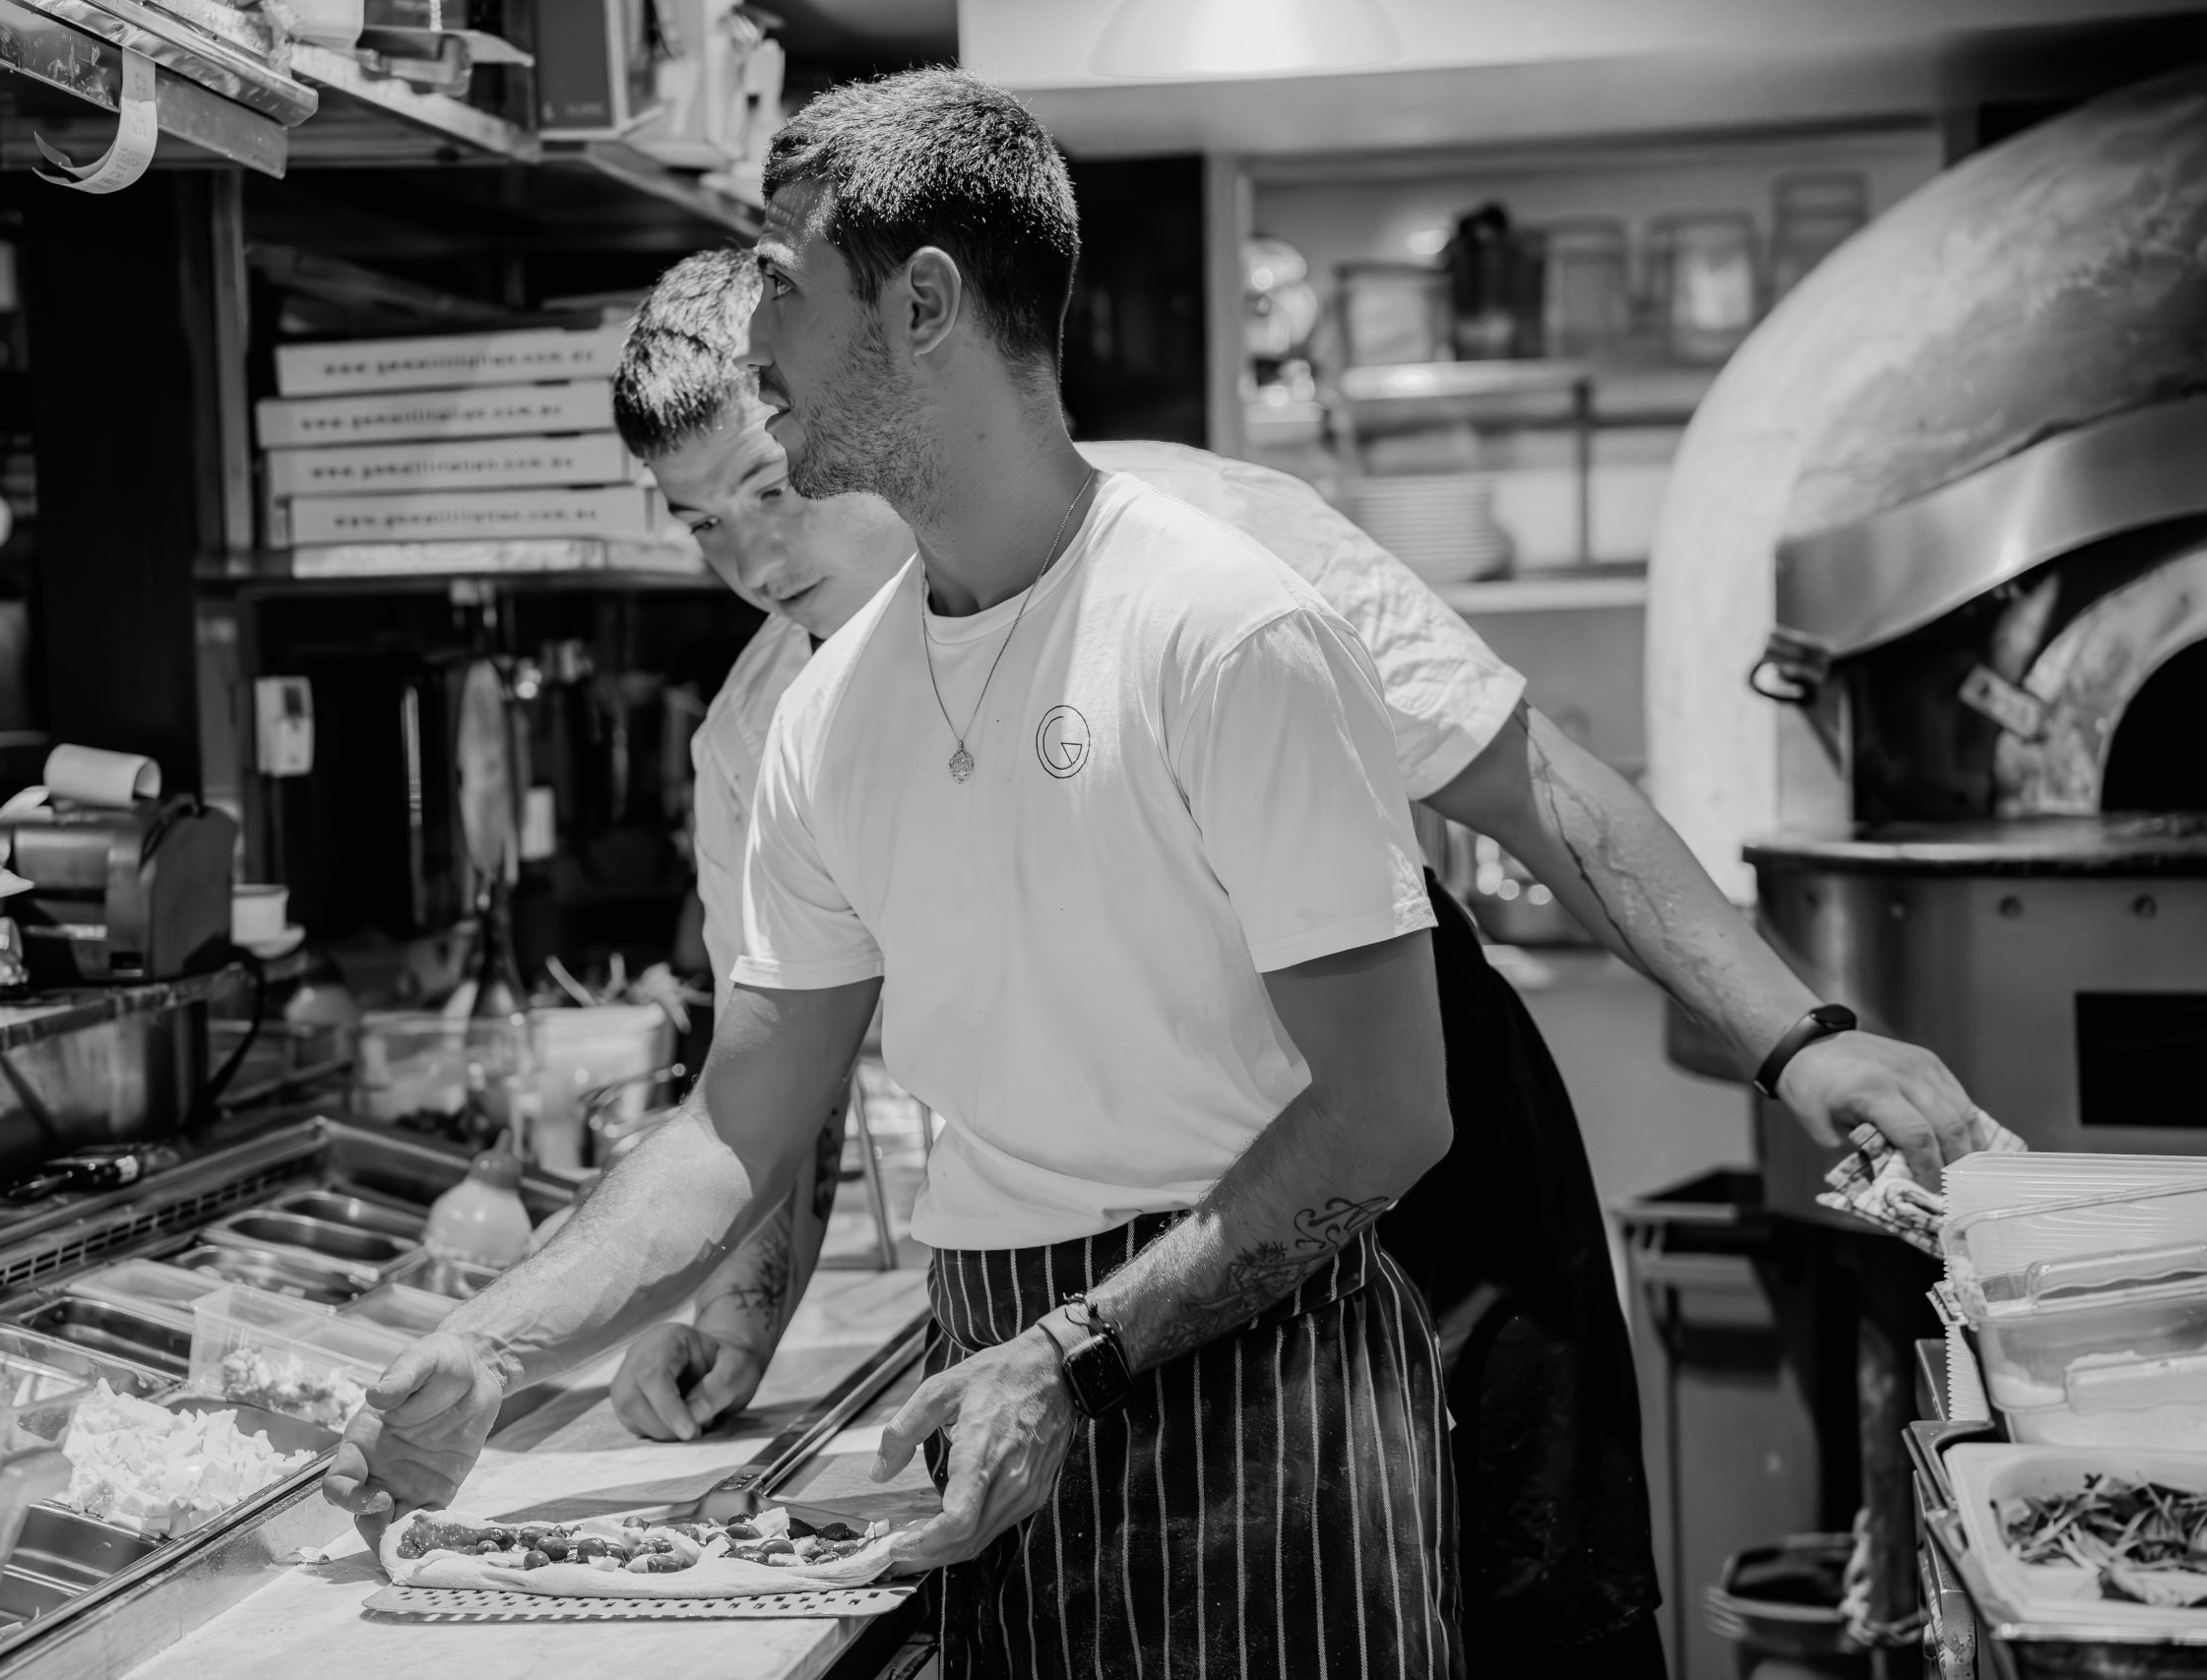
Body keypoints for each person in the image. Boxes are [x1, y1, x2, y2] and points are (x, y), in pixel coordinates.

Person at [599, 241, 2011, 1669]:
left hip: (1426, 1165)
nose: (752, 563)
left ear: (839, 401)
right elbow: (790, 1062)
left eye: (770, 487)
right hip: (1146, 1263)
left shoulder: (1206, 547)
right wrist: (740, 1318)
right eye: (700, 524)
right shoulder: (765, 734)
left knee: (1532, 1616)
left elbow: (1536, 792)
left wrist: (1799, 1038)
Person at [331, 67, 1467, 1677]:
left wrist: (1077, 1356)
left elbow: (1390, 1109)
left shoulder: (1225, 633)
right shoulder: (822, 720)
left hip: (1255, 1383)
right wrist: (491, 1345)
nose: (763, 342)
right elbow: (743, 1119)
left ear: (926, 306)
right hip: (983, 1371)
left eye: (789, 288)